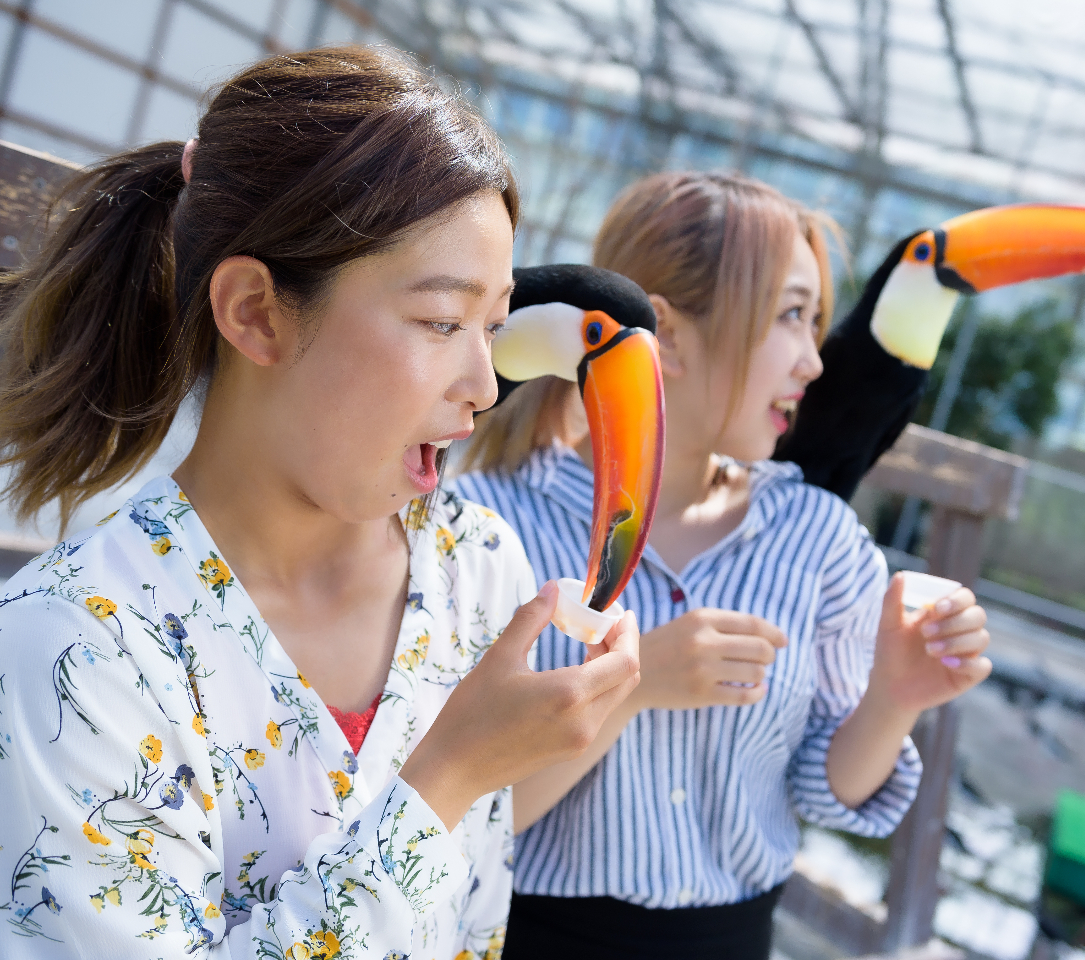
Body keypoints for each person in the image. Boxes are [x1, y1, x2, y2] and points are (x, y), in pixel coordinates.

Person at [0, 46, 641, 959]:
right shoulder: (76, 651)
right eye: (442, 322)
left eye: (494, 327)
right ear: (257, 312)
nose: (485, 383)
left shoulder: (479, 566)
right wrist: (448, 774)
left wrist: (570, 725)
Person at [455, 171, 993, 959]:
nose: (814, 363)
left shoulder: (821, 538)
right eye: (793, 317)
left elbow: (829, 790)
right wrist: (630, 691)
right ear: (665, 335)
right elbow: (462, 805)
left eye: (817, 323)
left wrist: (898, 695)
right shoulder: (492, 524)